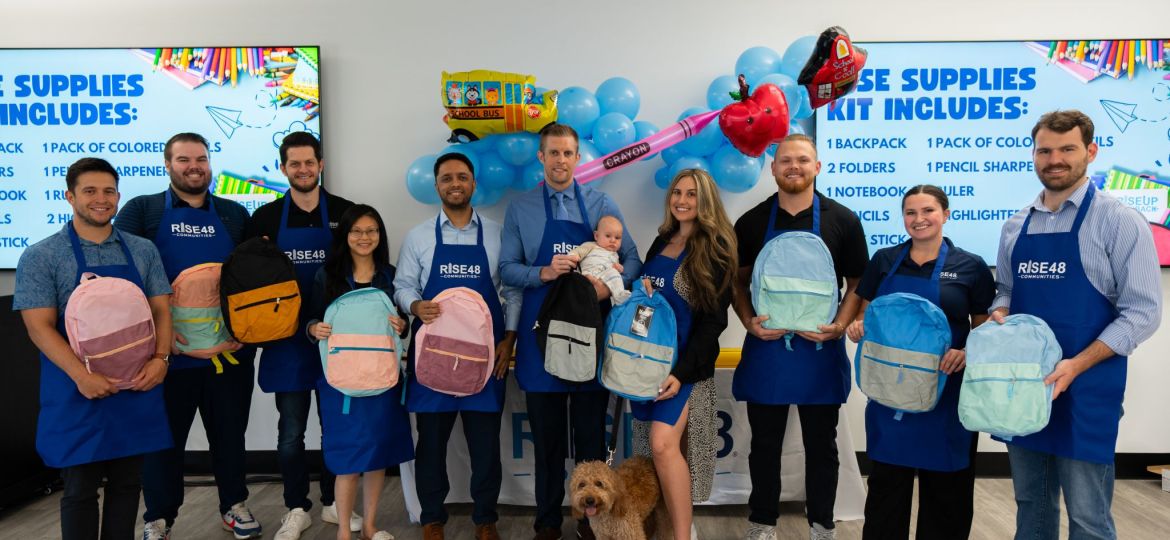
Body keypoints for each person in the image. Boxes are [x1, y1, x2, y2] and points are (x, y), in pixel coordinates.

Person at [991, 110, 1160, 540]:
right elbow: (1006, 290)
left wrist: (1076, 365)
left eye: (1067, 149)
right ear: (1034, 155)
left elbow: (1143, 312)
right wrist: (1000, 311)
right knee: (1032, 507)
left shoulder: (1119, 220)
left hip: (1086, 391)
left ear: (1090, 151)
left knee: (1087, 516)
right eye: (1045, 150)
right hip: (1025, 389)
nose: (1055, 159)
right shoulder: (1015, 226)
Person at [14, 158, 173, 540]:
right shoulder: (42, 255)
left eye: (108, 192)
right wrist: (81, 376)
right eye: (90, 191)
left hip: (137, 385)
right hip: (77, 388)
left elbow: (161, 309)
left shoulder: (142, 250)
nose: (100, 200)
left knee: (128, 482)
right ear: (70, 196)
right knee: (80, 488)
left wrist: (161, 359)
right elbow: (38, 327)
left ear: (118, 197)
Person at [499, 123, 642, 540]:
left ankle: (591, 528)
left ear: (578, 158)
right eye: (553, 153)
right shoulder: (519, 208)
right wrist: (542, 271)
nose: (561, 161)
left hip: (589, 339)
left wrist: (604, 285)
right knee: (547, 444)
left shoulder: (601, 203)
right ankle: (546, 523)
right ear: (540, 157)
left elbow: (632, 260)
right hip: (540, 340)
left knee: (590, 442)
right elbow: (507, 269)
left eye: (568, 153)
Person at [115, 133, 259, 540]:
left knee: (230, 436)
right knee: (164, 440)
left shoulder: (232, 214)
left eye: (201, 158)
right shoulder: (143, 211)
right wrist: (155, 339)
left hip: (228, 353)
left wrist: (248, 332)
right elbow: (123, 276)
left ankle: (234, 505)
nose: (194, 166)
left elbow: (249, 282)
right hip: (166, 354)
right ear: (168, 164)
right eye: (183, 159)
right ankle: (158, 517)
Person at [731, 134, 868, 540]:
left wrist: (839, 327)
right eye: (785, 160)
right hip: (767, 348)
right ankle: (762, 523)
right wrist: (749, 321)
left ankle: (822, 525)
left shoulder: (843, 220)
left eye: (803, 160)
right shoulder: (752, 222)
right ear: (772, 168)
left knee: (822, 447)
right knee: (765, 445)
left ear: (817, 167)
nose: (794, 166)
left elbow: (858, 283)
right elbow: (736, 283)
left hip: (820, 350)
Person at [844, 185, 995, 539]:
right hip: (891, 392)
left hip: (947, 393)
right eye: (910, 212)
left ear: (945, 213)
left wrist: (968, 351)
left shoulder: (970, 266)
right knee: (886, 488)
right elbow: (868, 314)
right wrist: (858, 326)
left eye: (927, 211)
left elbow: (984, 329)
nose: (919, 219)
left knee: (947, 492)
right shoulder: (884, 260)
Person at [393, 153, 521, 540]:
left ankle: (486, 519)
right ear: (437, 186)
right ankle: (433, 517)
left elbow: (512, 291)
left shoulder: (499, 234)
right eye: (447, 177)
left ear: (473, 184)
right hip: (431, 359)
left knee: (486, 446)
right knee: (431, 445)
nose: (455, 183)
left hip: (484, 360)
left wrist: (509, 339)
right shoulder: (418, 237)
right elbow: (402, 286)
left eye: (462, 177)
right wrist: (414, 305)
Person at [244, 132, 358, 539]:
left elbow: (364, 268)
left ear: (321, 165)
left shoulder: (346, 214)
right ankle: (296, 507)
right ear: (283, 168)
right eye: (295, 164)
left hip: (336, 340)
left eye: (310, 162)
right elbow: (247, 282)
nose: (303, 170)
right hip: (286, 343)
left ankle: (333, 503)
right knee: (290, 432)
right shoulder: (265, 220)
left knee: (334, 429)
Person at [629, 169, 737, 540]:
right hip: (648, 368)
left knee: (662, 445)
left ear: (705, 201)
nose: (682, 201)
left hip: (684, 370)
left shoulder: (716, 248)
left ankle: (681, 536)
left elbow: (713, 322)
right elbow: (646, 306)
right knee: (651, 453)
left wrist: (682, 372)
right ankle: (665, 530)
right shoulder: (661, 241)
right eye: (677, 193)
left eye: (691, 194)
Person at [308, 205, 414, 540]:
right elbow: (309, 319)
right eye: (357, 231)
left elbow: (402, 323)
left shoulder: (390, 275)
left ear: (380, 236)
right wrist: (314, 329)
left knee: (377, 454)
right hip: (340, 382)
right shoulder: (328, 275)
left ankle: (369, 526)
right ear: (345, 235)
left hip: (383, 378)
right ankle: (343, 530)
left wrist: (402, 324)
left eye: (371, 231)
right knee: (348, 457)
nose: (364, 237)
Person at [566, 215, 632, 304]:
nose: (613, 240)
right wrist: (574, 256)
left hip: (603, 279)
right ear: (596, 236)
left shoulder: (615, 255)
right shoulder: (591, 246)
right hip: (587, 274)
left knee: (615, 275)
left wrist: (618, 268)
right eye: (608, 236)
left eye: (617, 238)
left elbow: (615, 269)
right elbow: (579, 251)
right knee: (577, 277)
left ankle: (619, 295)